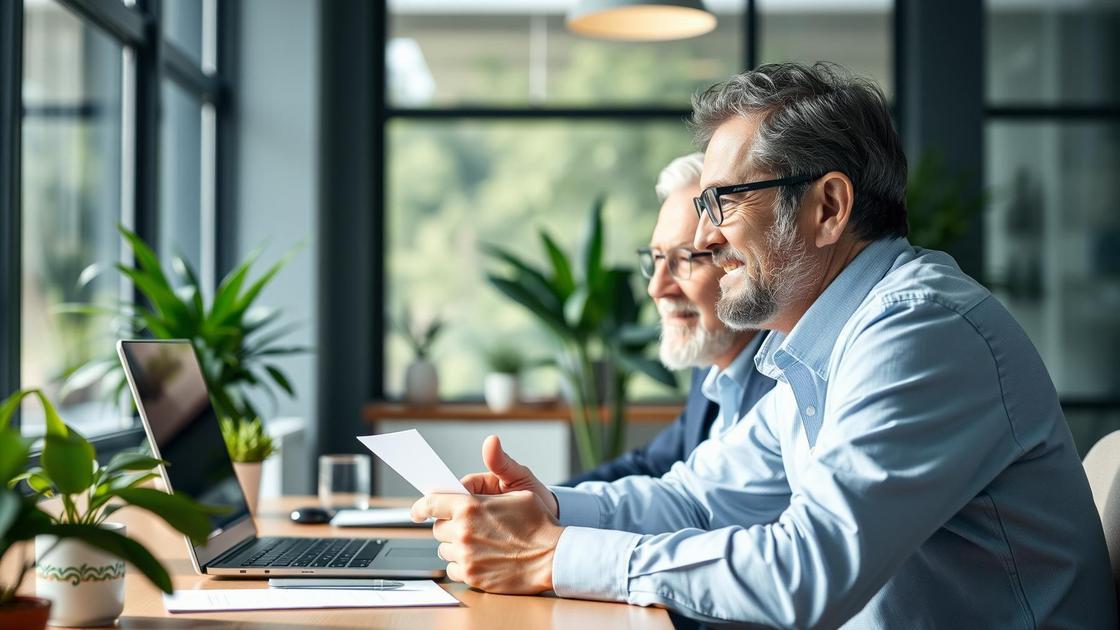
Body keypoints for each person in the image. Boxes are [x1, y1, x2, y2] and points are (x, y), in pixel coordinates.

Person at [411, 63, 1117, 627]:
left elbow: (806, 573)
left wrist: (557, 556)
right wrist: (549, 510)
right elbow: (694, 500)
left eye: (725, 202)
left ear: (829, 208)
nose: (703, 238)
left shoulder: (920, 332)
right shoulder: (821, 349)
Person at [561, 153, 773, 486]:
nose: (656, 288)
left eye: (685, 258)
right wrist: (537, 501)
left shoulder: (786, 380)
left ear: (739, 262)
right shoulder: (712, 371)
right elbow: (651, 465)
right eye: (657, 258)